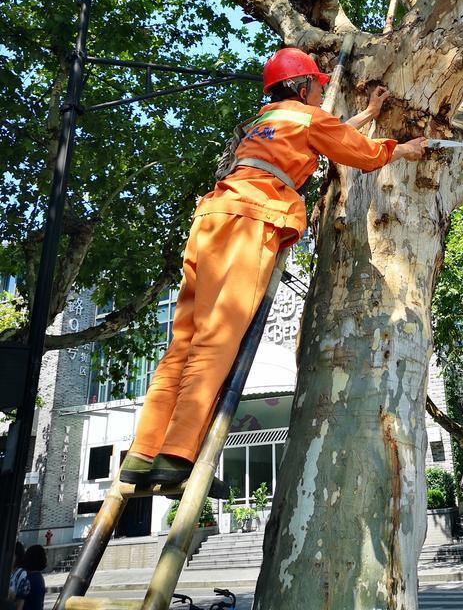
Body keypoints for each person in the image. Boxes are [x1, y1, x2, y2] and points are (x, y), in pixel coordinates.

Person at [118, 47, 427, 490]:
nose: (321, 93)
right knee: (218, 337)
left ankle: (143, 453)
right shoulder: (306, 117)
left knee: (183, 340)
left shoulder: (265, 123)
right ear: (303, 88)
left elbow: (328, 135)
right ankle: (177, 456)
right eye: (318, 87)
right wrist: (403, 149)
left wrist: (368, 113)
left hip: (212, 219)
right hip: (251, 218)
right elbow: (359, 153)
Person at [8, 543, 29, 610]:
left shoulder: (21, 574)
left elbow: (20, 602)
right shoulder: (5, 571)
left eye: (13, 555)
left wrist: (9, 593)